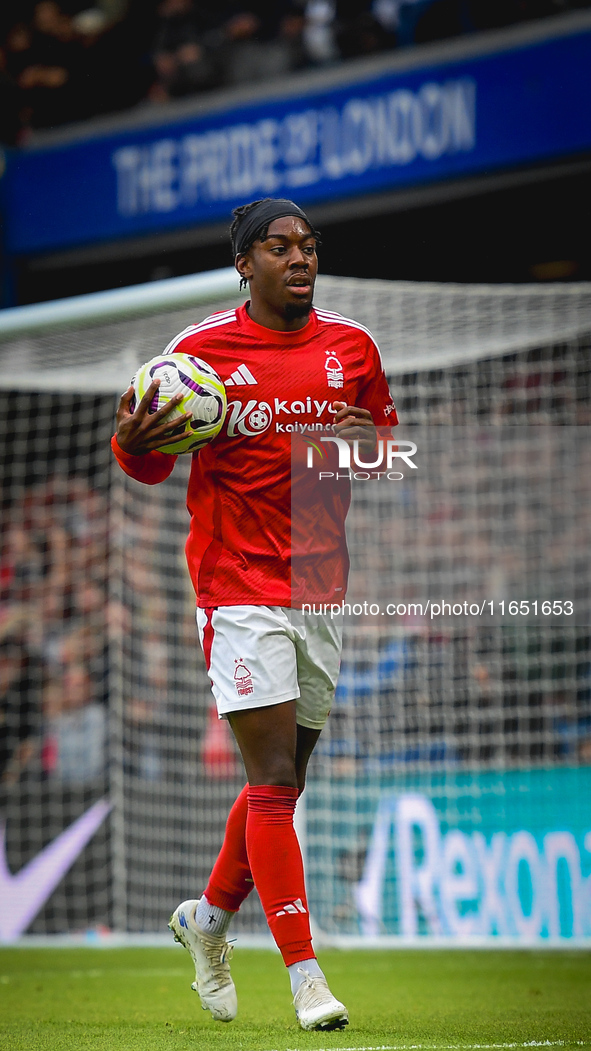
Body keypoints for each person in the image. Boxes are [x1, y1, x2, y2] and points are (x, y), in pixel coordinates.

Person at [111, 197, 397, 1030]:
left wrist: (363, 446)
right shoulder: (196, 355)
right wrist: (131, 438)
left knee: (284, 779)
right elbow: (148, 468)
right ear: (245, 264)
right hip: (236, 588)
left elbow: (385, 452)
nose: (299, 258)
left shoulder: (353, 347)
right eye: (279, 247)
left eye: (308, 246)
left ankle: (206, 919)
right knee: (274, 786)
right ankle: (307, 977)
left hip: (320, 588)